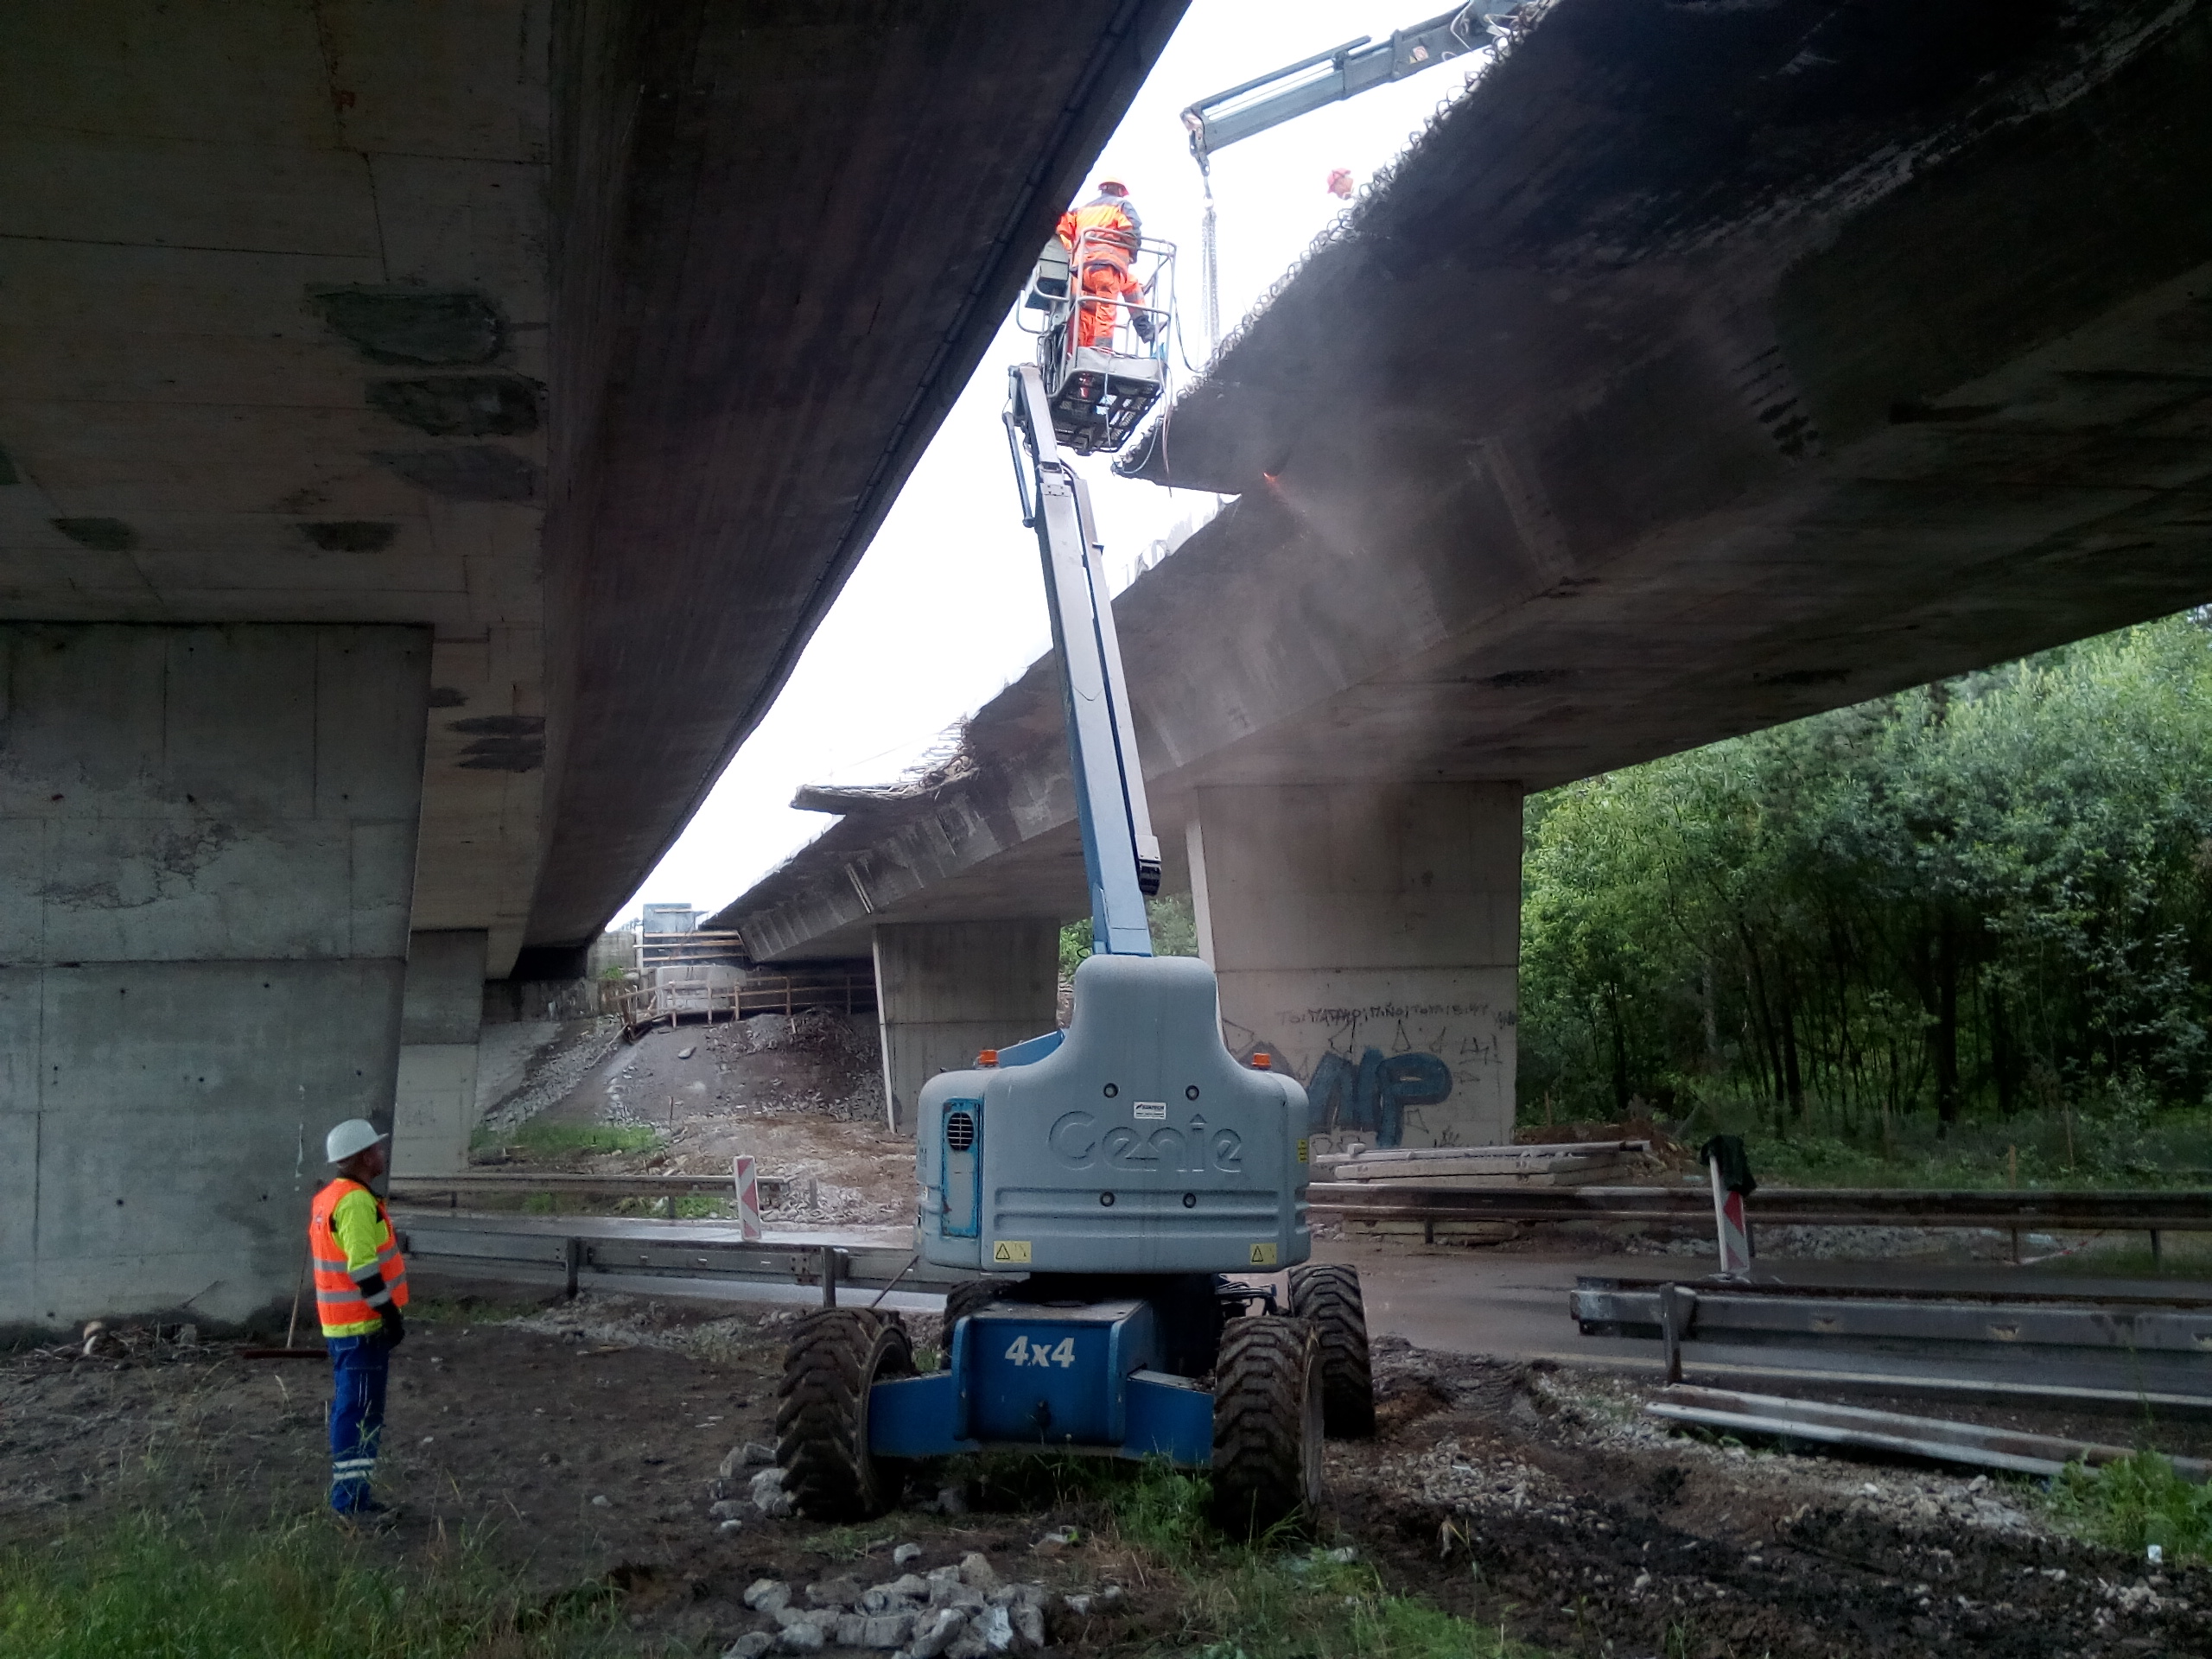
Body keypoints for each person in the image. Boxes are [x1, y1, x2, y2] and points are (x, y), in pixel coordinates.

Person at [311, 1118, 409, 1522]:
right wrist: (390, 1316)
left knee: (353, 1411)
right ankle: (351, 1505)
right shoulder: (353, 1202)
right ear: (364, 1156)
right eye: (377, 1149)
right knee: (360, 1415)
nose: (382, 1154)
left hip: (344, 1328)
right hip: (362, 1329)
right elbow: (364, 1269)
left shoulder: (329, 1197)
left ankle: (353, 1498)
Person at [1055, 177, 1154, 351]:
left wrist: (1073, 249)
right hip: (1106, 268)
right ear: (1119, 190)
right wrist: (1132, 253)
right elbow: (1131, 231)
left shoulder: (1081, 211)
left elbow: (1063, 228)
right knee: (1106, 310)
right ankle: (1102, 351)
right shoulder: (1121, 206)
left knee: (1131, 284)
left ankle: (1145, 329)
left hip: (1082, 273)